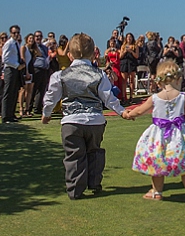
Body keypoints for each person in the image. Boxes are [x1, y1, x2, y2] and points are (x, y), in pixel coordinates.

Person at [42, 33, 132, 200]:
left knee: (74, 155)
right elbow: (108, 97)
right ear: (93, 54)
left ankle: (75, 189)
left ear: (69, 55)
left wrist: (46, 114)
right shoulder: (99, 75)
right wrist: (122, 111)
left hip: (71, 122)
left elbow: (51, 96)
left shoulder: (61, 75)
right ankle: (94, 182)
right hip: (95, 120)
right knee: (95, 152)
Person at [128, 61, 185, 203]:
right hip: (179, 135)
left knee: (158, 162)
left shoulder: (155, 98)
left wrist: (129, 114)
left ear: (159, 81)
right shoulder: (182, 96)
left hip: (158, 136)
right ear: (178, 79)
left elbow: (139, 110)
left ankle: (157, 192)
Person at [0, 25, 23, 123]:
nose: (16, 34)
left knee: (14, 92)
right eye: (14, 33)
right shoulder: (9, 43)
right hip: (10, 69)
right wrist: (16, 65)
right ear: (11, 33)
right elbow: (5, 58)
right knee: (8, 92)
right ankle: (5, 116)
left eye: (18, 32)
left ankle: (11, 114)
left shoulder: (16, 43)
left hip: (16, 70)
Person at [29, 30, 51, 115]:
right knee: (33, 89)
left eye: (40, 36)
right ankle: (29, 107)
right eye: (37, 36)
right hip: (36, 69)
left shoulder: (44, 47)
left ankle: (37, 108)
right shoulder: (33, 47)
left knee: (42, 90)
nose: (38, 38)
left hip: (44, 69)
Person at [119, 33, 139, 102]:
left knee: (131, 80)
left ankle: (131, 96)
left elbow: (137, 56)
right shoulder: (123, 46)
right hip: (124, 63)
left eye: (130, 37)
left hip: (132, 63)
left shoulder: (135, 46)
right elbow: (120, 56)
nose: (129, 39)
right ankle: (124, 97)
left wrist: (131, 51)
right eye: (128, 37)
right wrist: (125, 51)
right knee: (124, 80)